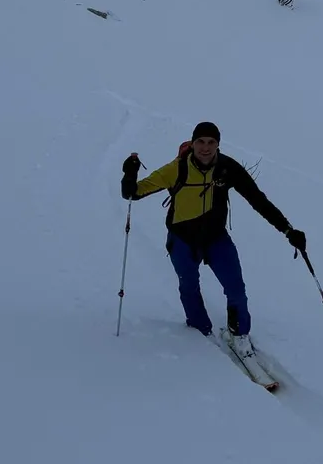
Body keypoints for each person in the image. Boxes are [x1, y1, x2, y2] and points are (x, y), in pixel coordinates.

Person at [121, 122, 306, 359]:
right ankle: (200, 332)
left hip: (216, 238)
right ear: (193, 143)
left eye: (211, 142)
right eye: (201, 142)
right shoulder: (176, 169)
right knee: (189, 287)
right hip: (182, 239)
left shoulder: (227, 168)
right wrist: (129, 173)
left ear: (218, 144)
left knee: (236, 289)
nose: (206, 148)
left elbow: (258, 200)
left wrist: (288, 230)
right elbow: (132, 193)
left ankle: (239, 334)